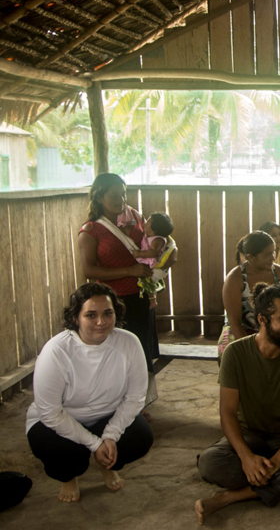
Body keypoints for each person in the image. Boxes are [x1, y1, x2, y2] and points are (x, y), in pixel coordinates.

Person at [195, 284, 280, 524]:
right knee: (209, 463)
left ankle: (229, 498)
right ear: (262, 320)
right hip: (250, 437)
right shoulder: (235, 353)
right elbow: (227, 411)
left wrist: (279, 458)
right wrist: (246, 457)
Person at [26, 282, 153, 502]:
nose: (101, 322)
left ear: (117, 313)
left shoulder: (129, 343)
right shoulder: (56, 350)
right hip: (59, 420)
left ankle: (107, 463)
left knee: (140, 439)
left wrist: (110, 436)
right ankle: (69, 477)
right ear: (76, 317)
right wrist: (95, 443)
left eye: (108, 313)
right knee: (67, 456)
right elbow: (50, 412)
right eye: (91, 315)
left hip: (106, 417)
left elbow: (135, 398)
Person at [78, 173, 172, 402]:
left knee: (139, 348)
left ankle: (140, 399)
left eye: (123, 193)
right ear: (99, 197)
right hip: (112, 301)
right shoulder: (91, 230)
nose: (121, 199)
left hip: (140, 295)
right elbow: (89, 270)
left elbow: (161, 241)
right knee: (116, 352)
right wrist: (130, 271)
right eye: (114, 195)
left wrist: (170, 256)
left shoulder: (137, 218)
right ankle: (116, 400)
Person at [217, 231, 280, 359]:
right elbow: (234, 322)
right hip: (241, 328)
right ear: (251, 257)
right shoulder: (235, 279)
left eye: (274, 252)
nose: (273, 257)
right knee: (228, 355)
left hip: (275, 328)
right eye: (267, 254)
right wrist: (250, 350)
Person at [131, 212, 176, 304]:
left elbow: (153, 252)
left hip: (157, 270)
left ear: (154, 230)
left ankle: (152, 299)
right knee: (146, 281)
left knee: (147, 283)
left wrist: (139, 253)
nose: (145, 223)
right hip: (154, 267)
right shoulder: (151, 237)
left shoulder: (158, 240)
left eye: (148, 222)